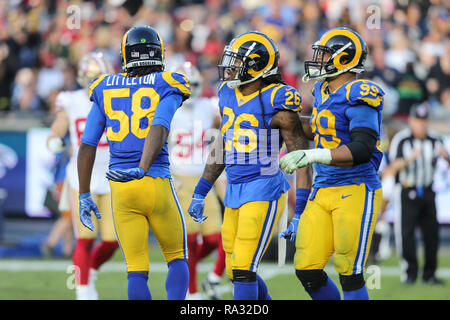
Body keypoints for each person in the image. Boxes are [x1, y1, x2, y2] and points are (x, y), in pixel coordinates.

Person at [188, 31, 312, 300]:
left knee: (244, 268)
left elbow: (302, 156)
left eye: (237, 62)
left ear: (256, 66)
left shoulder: (277, 99)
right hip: (234, 188)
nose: (229, 68)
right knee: (234, 271)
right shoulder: (226, 93)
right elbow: (222, 144)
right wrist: (201, 189)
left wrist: (300, 209)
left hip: (263, 187)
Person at [78, 26, 191, 300]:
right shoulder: (168, 82)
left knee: (136, 269)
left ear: (126, 55)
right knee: (176, 258)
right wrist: (142, 167)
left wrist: (83, 193)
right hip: (154, 180)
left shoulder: (105, 86)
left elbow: (87, 144)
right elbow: (160, 126)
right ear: (159, 53)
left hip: (120, 188)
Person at [280, 27, 385, 300]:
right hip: (323, 187)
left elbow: (363, 147)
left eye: (325, 53)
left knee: (348, 270)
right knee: (306, 267)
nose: (318, 58)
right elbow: (318, 128)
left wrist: (313, 155)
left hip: (356, 187)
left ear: (343, 59)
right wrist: (280, 119)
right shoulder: (322, 90)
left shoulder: (360, 92)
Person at [46, 52, 119, 300]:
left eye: (98, 77)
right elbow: (57, 129)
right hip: (82, 177)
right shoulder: (71, 101)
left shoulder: (117, 99)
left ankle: (90, 271)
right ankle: (82, 289)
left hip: (111, 176)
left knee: (112, 241)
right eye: (90, 77)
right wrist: (55, 140)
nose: (93, 82)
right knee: (85, 238)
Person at [168, 61, 225, 300]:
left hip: (204, 177)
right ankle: (190, 291)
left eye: (194, 84)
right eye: (186, 84)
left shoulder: (208, 107)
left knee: (214, 238)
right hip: (180, 177)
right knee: (189, 240)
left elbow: (222, 131)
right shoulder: (168, 108)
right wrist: (168, 176)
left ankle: (184, 270)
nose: (190, 89)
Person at [388, 103, 450, 285]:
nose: (421, 125)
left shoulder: (435, 139)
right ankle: (410, 273)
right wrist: (409, 160)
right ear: (411, 121)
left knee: (432, 234)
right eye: (418, 121)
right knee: (406, 234)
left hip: (428, 191)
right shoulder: (402, 140)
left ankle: (429, 275)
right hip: (407, 191)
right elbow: (392, 168)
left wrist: (445, 157)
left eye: (424, 121)